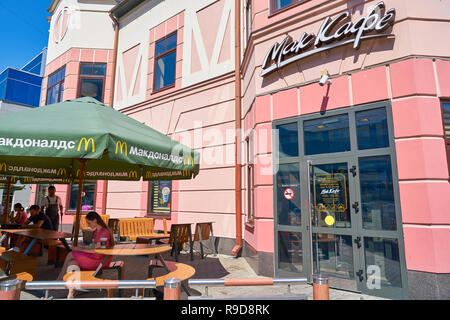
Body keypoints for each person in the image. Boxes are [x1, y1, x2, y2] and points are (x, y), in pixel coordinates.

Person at [57, 211, 115, 281]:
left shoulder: (104, 232)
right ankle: (72, 285)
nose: (88, 225)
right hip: (97, 257)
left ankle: (59, 280)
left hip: (101, 260)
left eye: (89, 223)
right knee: (71, 262)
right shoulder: (97, 231)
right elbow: (95, 245)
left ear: (95, 220)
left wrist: (79, 249)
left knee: (70, 254)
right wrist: (82, 247)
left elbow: (98, 248)